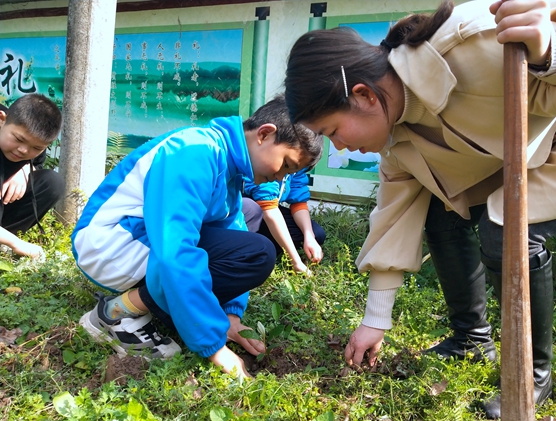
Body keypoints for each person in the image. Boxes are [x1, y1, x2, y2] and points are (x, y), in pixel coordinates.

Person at [284, 0, 556, 418]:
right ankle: (472, 339)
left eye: (333, 132)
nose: (337, 148)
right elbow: (394, 220)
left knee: (507, 228)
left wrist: (546, 50)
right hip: (524, 157)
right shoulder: (398, 145)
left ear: (363, 95)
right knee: (438, 205)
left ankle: (531, 374)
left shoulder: (469, 42)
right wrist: (375, 321)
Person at [72, 96, 323, 378]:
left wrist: (229, 316)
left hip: (141, 237)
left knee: (249, 219)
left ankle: (174, 308)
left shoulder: (226, 158)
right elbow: (175, 252)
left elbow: (232, 226)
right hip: (111, 246)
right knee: (257, 253)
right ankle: (117, 312)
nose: (280, 179)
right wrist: (214, 346)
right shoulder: (195, 152)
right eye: (286, 165)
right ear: (264, 134)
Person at [0, 94, 64, 259]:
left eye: (36, 147)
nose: (24, 151)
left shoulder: (30, 144)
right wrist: (17, 244)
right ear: (2, 119)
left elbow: (36, 162)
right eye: (19, 139)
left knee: (52, 182)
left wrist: (25, 169)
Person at [242, 168, 326, 274]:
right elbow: (269, 209)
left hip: (271, 208)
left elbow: (298, 202)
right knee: (252, 209)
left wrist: (309, 237)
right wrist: (296, 262)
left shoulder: (299, 163)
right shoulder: (267, 163)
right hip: (251, 211)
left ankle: (269, 247)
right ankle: (259, 249)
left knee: (316, 233)